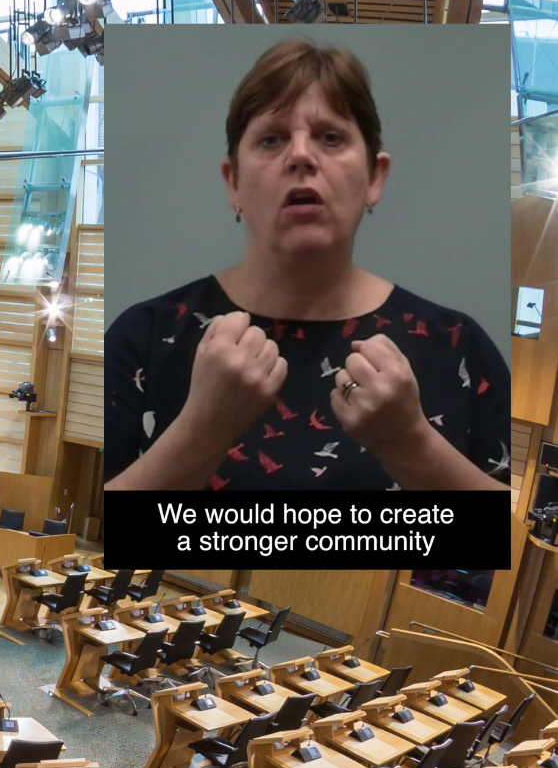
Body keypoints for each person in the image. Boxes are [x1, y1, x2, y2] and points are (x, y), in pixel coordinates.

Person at [104, 40, 509, 493]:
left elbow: (516, 554)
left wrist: (411, 444)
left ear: (374, 178)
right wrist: (203, 430)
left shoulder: (460, 349)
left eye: (330, 137)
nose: (300, 156)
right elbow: (90, 543)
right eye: (271, 138)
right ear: (233, 181)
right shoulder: (145, 340)